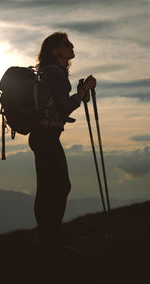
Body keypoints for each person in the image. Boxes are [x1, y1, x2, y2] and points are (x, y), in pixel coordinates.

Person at [28, 32, 96, 254]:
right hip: (46, 136)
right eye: (66, 45)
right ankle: (52, 242)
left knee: (48, 188)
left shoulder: (46, 73)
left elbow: (57, 105)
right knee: (58, 187)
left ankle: (46, 239)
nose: (71, 46)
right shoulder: (55, 74)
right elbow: (65, 105)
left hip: (42, 136)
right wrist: (83, 91)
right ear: (55, 50)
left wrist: (77, 96)